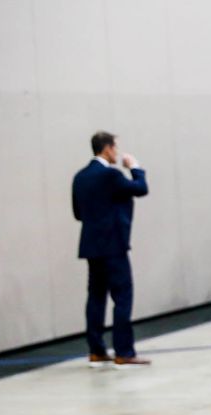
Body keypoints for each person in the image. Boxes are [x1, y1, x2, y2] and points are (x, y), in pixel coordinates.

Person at [72, 131, 151, 367]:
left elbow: (78, 213)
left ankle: (96, 350)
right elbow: (140, 188)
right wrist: (135, 167)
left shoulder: (80, 177)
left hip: (91, 246)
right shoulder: (111, 175)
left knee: (96, 298)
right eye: (115, 148)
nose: (117, 153)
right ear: (106, 149)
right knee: (122, 297)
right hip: (114, 246)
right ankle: (123, 351)